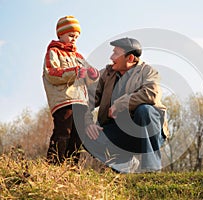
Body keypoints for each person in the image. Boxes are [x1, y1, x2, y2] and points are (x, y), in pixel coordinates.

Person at [84, 37, 169, 173]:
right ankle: (123, 165)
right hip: (120, 132)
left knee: (145, 111)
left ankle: (151, 170)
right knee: (86, 133)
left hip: (147, 132)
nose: (111, 57)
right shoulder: (107, 73)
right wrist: (88, 123)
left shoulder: (147, 71)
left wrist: (120, 104)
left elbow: (151, 93)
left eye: (116, 53)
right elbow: (87, 99)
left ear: (129, 58)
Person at [42, 16, 99, 165]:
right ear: (60, 34)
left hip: (80, 100)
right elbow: (51, 73)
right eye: (71, 35)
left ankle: (71, 167)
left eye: (77, 37)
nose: (74, 39)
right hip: (63, 100)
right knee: (63, 131)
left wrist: (92, 75)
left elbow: (87, 75)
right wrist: (75, 72)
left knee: (78, 134)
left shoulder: (78, 56)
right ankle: (54, 164)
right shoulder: (53, 52)